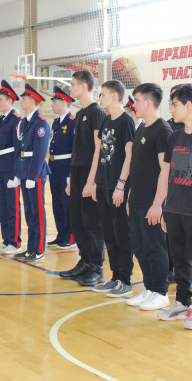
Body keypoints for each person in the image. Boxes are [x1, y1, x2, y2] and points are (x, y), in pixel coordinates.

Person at [126, 83, 172, 310]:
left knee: (155, 246)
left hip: (152, 202)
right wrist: (130, 195)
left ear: (149, 102)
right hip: (136, 200)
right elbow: (137, 167)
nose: (133, 105)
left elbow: (166, 169)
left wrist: (158, 204)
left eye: (136, 100)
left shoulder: (162, 130)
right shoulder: (142, 128)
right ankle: (149, 287)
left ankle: (161, 291)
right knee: (140, 246)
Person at [59, 70, 106, 286]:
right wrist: (72, 178)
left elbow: (99, 148)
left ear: (84, 86)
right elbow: (77, 150)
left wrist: (91, 180)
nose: (70, 88)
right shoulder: (80, 114)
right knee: (77, 219)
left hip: (90, 172)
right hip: (77, 171)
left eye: (72, 84)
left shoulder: (97, 112)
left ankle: (96, 266)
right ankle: (85, 261)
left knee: (91, 220)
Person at [91, 80, 135, 297]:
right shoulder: (107, 119)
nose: (100, 98)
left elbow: (129, 155)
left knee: (121, 234)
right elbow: (101, 152)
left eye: (103, 94)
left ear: (115, 96)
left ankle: (125, 280)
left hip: (117, 187)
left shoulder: (126, 121)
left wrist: (121, 185)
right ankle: (115, 276)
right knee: (108, 233)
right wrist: (96, 182)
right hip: (103, 184)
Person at [158, 84, 192, 329]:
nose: (171, 109)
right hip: (175, 209)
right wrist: (164, 207)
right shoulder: (174, 137)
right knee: (179, 260)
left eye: (175, 104)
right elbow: (168, 175)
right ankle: (182, 302)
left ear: (189, 105)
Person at [11, 83, 51, 261]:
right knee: (29, 211)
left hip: (34, 173)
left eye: (24, 98)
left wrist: (33, 176)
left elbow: (40, 152)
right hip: (24, 171)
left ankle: (39, 249)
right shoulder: (23, 122)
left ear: (33, 100)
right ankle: (31, 248)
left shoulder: (40, 122)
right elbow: (19, 150)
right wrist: (17, 173)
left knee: (37, 212)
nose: (21, 101)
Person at [0, 80, 22, 255]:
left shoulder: (16, 120)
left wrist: (16, 173)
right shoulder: (1, 119)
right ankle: (6, 240)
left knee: (12, 206)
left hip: (10, 168)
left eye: (0, 99)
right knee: (2, 205)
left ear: (10, 100)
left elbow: (18, 148)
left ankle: (15, 242)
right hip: (0, 167)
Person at [48, 86, 76, 249]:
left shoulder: (72, 122)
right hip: (55, 167)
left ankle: (70, 237)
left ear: (64, 103)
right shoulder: (56, 122)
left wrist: (71, 173)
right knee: (57, 204)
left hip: (66, 168)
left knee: (67, 204)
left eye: (55, 102)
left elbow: (75, 150)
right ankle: (61, 235)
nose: (52, 105)